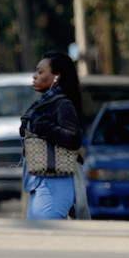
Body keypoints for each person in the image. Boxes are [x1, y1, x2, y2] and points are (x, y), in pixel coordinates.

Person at [19, 51, 84, 219]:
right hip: (40, 183)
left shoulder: (62, 104)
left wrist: (46, 128)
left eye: (40, 72)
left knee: (46, 240)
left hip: (55, 184)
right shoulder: (45, 103)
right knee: (34, 241)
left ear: (57, 77)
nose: (34, 76)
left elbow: (74, 138)